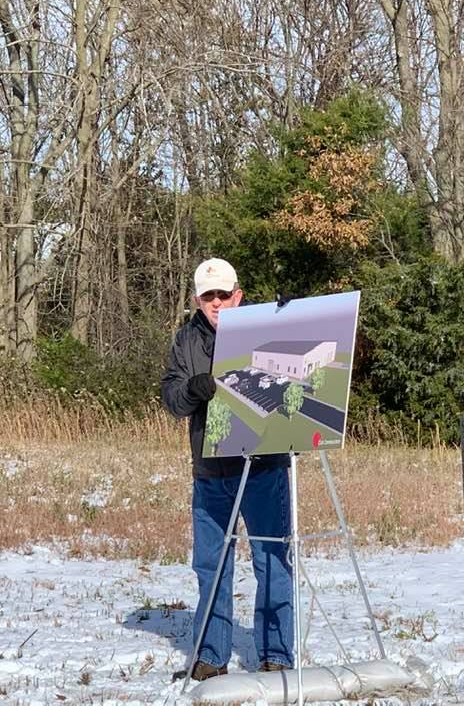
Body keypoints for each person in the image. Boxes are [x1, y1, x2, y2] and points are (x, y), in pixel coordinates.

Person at [161, 257, 294, 681]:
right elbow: (171, 399)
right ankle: (212, 656)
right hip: (211, 473)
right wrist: (192, 389)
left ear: (237, 294)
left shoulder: (269, 325)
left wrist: (293, 320)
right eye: (208, 296)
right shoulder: (185, 340)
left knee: (271, 558)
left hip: (263, 467)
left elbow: (298, 376)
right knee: (211, 566)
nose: (217, 302)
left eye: (224, 294)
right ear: (198, 300)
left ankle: (276, 655)